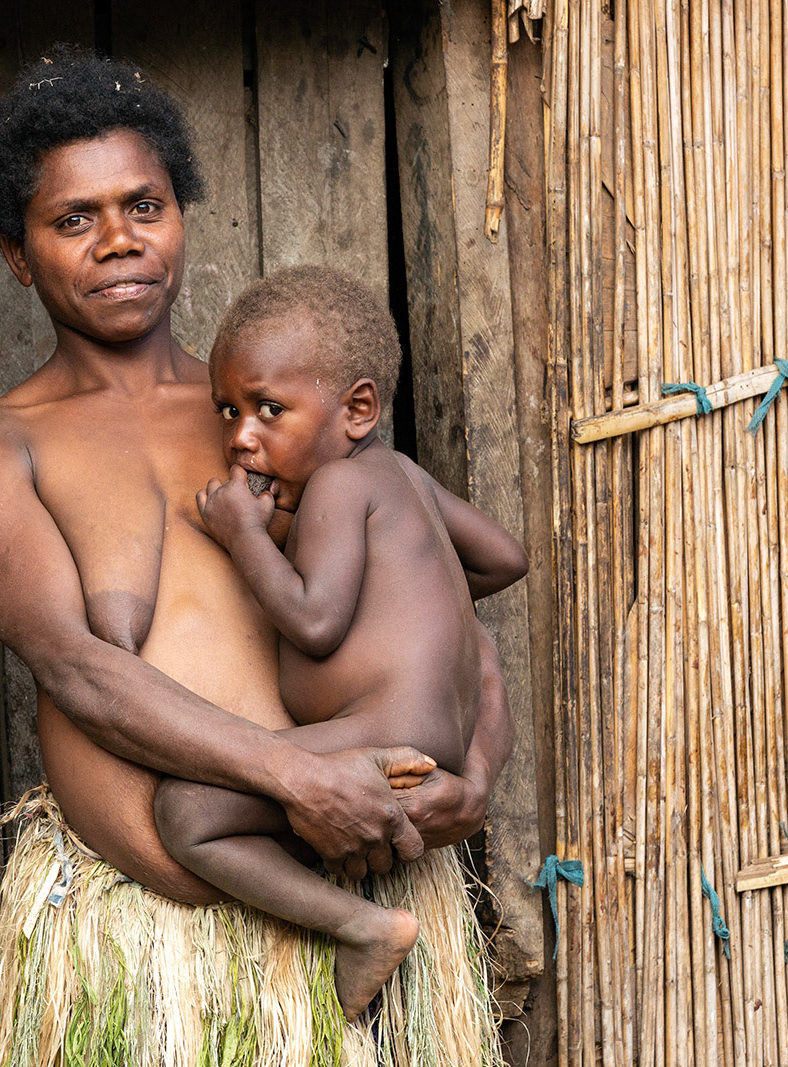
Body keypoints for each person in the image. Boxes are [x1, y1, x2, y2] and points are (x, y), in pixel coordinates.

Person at [0, 46, 513, 1067]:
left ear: (180, 217)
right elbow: (79, 667)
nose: (118, 241)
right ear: (16, 254)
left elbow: (444, 607)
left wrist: (481, 768)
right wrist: (293, 775)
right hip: (142, 952)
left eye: (143, 206)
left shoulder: (278, 416)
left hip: (356, 902)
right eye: (74, 219)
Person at [154, 266, 528, 1019]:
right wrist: (412, 599)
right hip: (437, 745)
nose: (240, 438)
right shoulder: (402, 478)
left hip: (384, 738)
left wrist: (242, 536)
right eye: (228, 411)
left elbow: (312, 619)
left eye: (268, 409)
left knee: (185, 815)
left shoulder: (335, 487)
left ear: (358, 408)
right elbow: (503, 556)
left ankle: (362, 926)